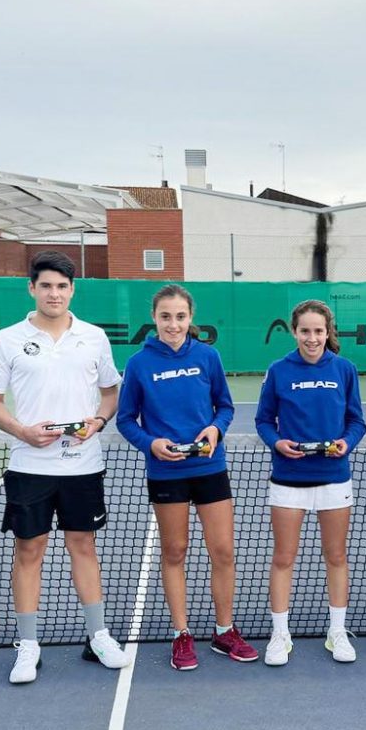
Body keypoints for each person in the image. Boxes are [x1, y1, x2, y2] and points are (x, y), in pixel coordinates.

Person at [0, 252, 129, 682]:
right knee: (29, 552)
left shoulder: (94, 337)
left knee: (84, 548)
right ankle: (27, 646)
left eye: (62, 286)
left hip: (83, 464)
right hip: (30, 465)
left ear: (72, 290)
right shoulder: (7, 339)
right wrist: (22, 431)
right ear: (32, 288)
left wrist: (98, 423)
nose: (54, 293)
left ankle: (98, 636)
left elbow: (110, 393)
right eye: (46, 285)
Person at [116, 283, 258, 671]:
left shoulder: (208, 357)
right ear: (154, 319)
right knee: (175, 551)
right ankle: (182, 634)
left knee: (223, 551)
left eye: (180, 317)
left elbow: (224, 407)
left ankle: (224, 630)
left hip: (210, 468)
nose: (173, 324)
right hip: (166, 472)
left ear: (190, 318)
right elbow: (126, 420)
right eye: (166, 317)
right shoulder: (139, 364)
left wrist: (215, 430)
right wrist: (151, 444)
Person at [255, 299, 366, 666]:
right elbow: (263, 421)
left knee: (336, 556)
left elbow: (357, 422)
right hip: (288, 480)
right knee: (284, 557)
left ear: (328, 332)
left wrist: (345, 444)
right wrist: (278, 443)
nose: (313, 338)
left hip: (334, 480)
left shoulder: (344, 369)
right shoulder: (278, 370)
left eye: (319, 331)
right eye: (306, 330)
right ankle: (280, 634)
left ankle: (337, 632)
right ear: (294, 331)